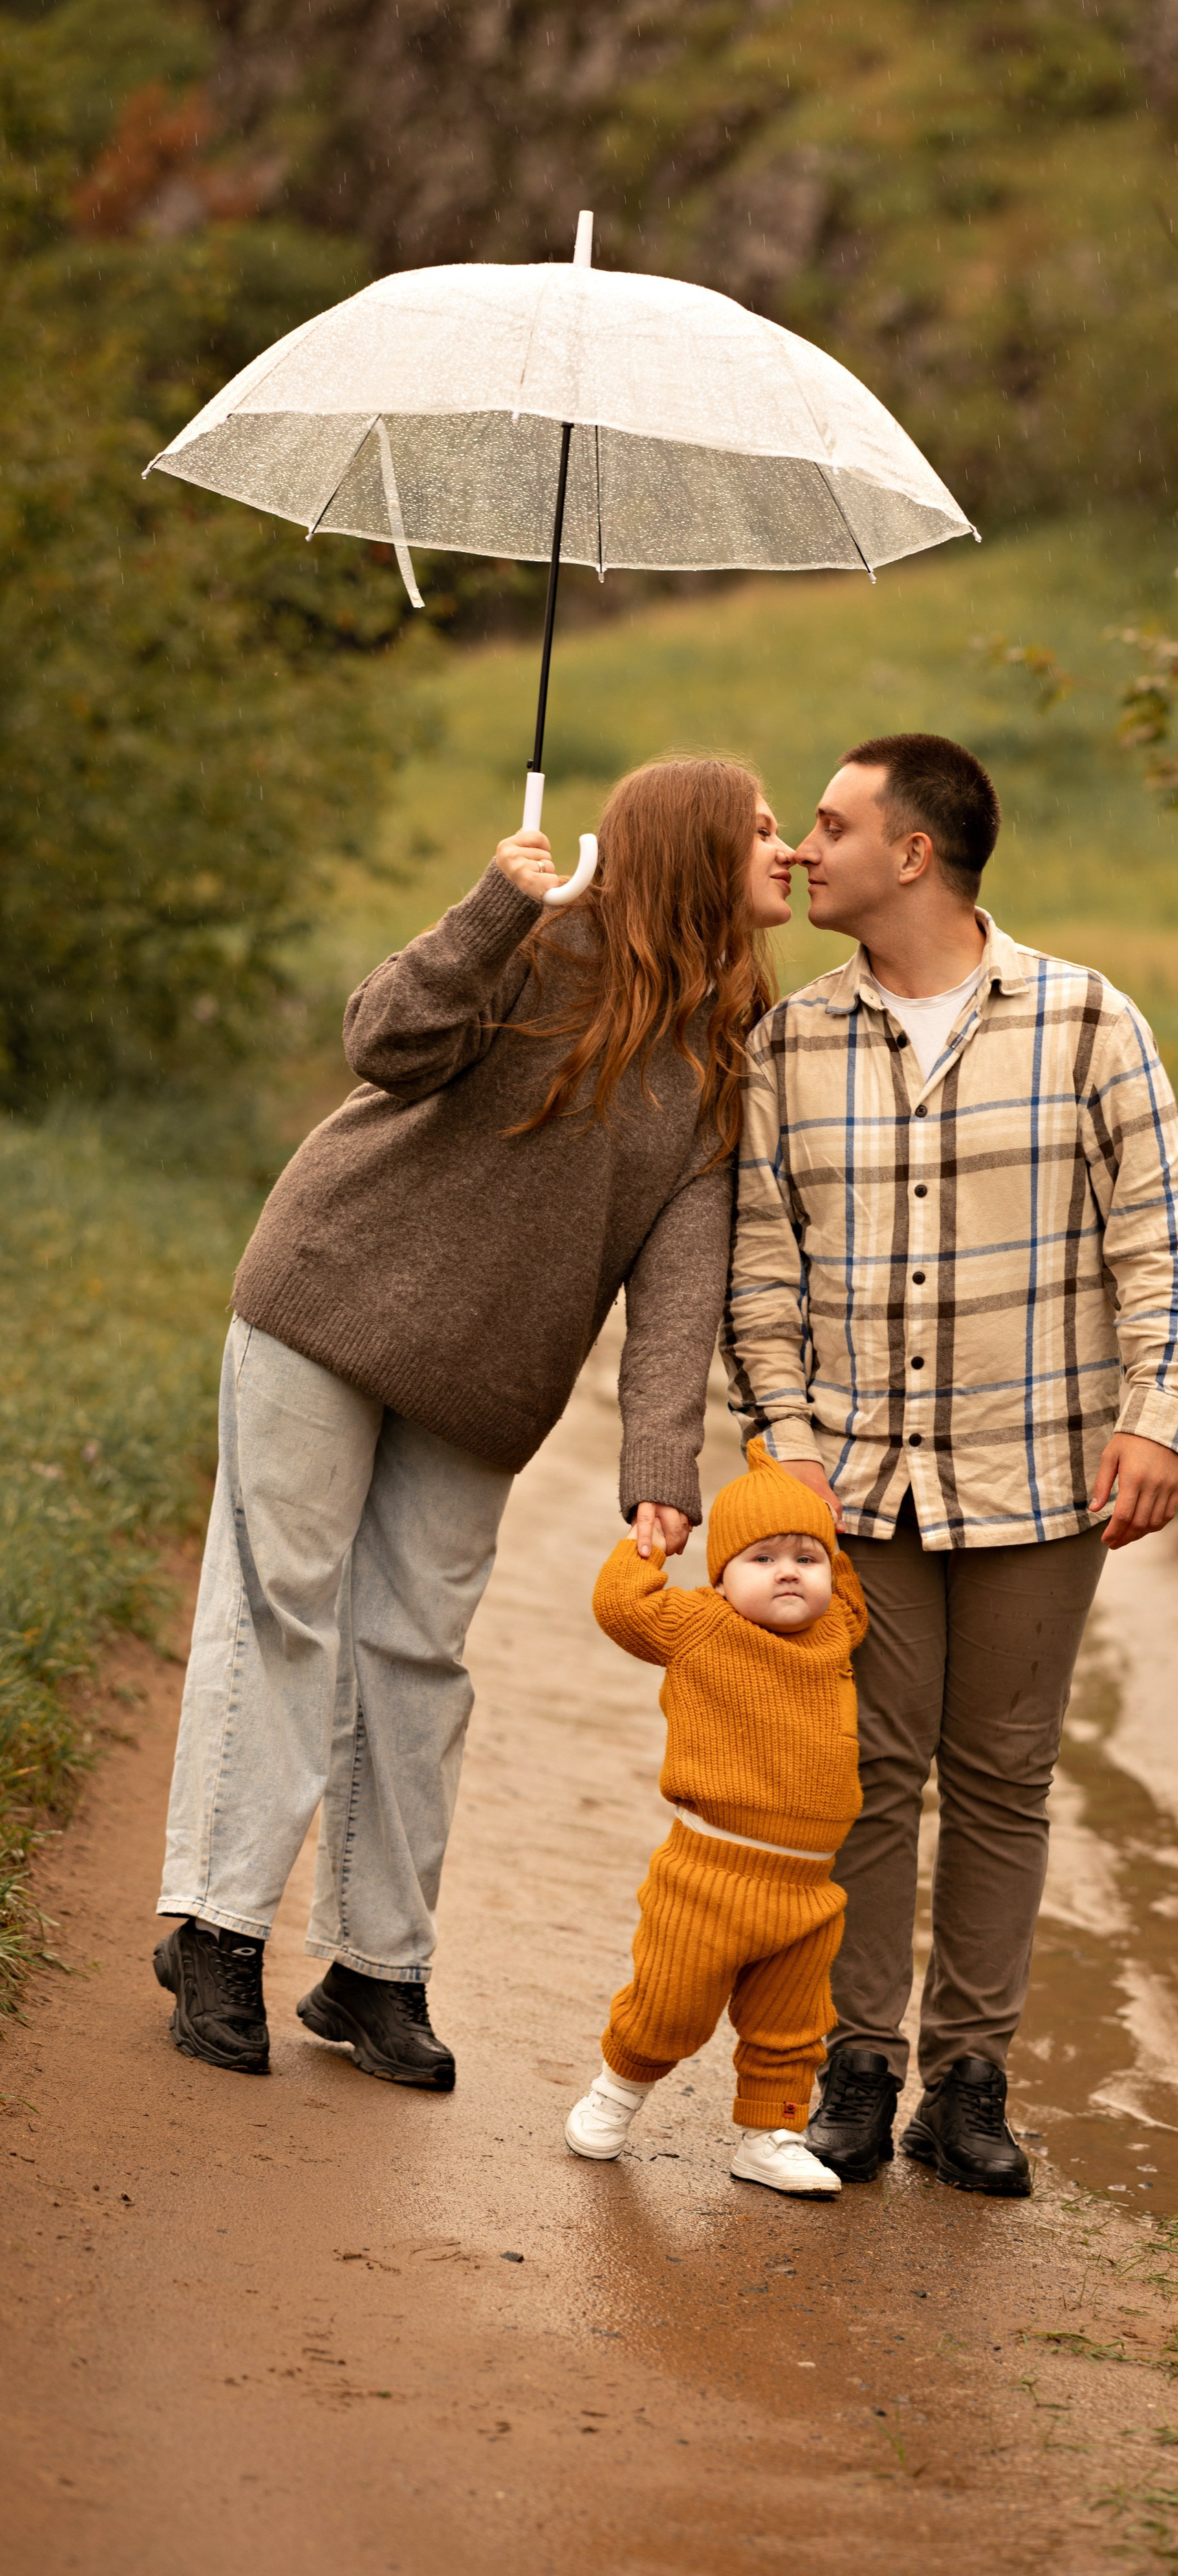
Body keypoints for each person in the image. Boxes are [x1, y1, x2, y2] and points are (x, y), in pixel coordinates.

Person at [153, 758, 794, 2091]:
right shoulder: (537, 936)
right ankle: (215, 1928)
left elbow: (680, 1287)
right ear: (683, 847)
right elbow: (381, 1041)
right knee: (283, 1608)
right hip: (325, 1298)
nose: (785, 852)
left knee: (415, 1653)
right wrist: (484, 911)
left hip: (482, 1381)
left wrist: (658, 1468)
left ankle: (373, 1965)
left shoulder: (716, 1054)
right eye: (762, 830)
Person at [723, 733, 1178, 2196]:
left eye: (831, 822)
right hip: (857, 1482)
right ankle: (857, 2065)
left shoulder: (1084, 1021)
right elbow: (761, 1272)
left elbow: (1161, 1241)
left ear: (914, 852)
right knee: (868, 1777)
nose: (805, 847)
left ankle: (969, 2077)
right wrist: (788, 1448)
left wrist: (1158, 1410)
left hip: (1039, 1468)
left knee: (1001, 1773)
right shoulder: (790, 1041)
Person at [567, 1439, 868, 2195]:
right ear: (722, 1579)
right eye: (763, 1559)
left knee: (792, 2024)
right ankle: (616, 2090)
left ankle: (770, 2135)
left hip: (807, 1885)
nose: (790, 1571)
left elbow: (849, 1586)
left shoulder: (836, 1632)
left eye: (807, 1557)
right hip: (710, 1874)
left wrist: (801, 1493)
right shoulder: (700, 1625)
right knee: (668, 2004)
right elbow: (618, 1605)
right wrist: (649, 1544)